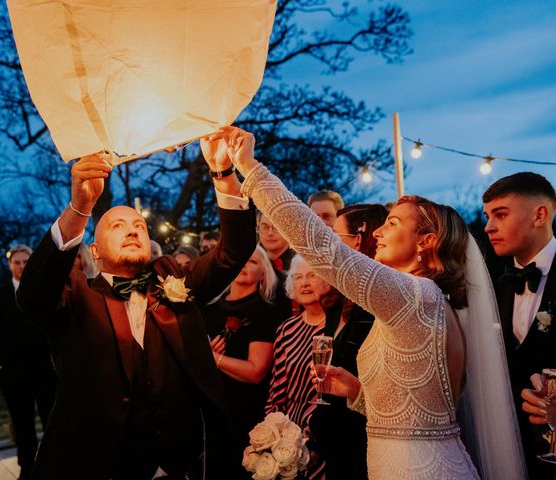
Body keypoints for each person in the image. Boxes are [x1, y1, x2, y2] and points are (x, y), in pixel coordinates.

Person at [219, 126, 526, 479]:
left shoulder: (415, 296)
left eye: (392, 223)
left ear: (426, 242)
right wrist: (356, 390)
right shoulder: (425, 300)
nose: (378, 232)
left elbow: (323, 249)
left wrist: (249, 167)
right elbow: (417, 411)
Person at [16, 137, 257, 479]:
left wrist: (222, 171)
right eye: (118, 226)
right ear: (95, 251)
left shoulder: (172, 276)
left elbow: (234, 250)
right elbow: (32, 296)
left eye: (139, 226)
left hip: (183, 465)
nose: (132, 231)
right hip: (101, 467)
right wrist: (80, 207)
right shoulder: (75, 299)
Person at [483, 172, 556, 479]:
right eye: (487, 216)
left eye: (500, 214)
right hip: (505, 453)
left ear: (540, 214)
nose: (489, 226)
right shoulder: (494, 286)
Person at [307, 203, 387, 480]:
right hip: (334, 438)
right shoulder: (337, 301)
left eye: (336, 236)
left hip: (365, 439)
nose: (331, 244)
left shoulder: (379, 303)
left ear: (359, 241)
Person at [203, 245, 278, 476]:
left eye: (253, 261)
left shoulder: (266, 313)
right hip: (208, 411)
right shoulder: (207, 309)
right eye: (241, 259)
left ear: (263, 273)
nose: (245, 264)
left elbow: (256, 371)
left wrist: (213, 358)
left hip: (245, 412)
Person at [0, 244, 57, 480]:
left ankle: (53, 466)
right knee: (22, 424)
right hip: (13, 373)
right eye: (17, 262)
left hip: (46, 370)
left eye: (26, 262)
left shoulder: (45, 289)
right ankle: (27, 469)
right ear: (10, 266)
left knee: (51, 420)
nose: (22, 266)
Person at [264, 254, 332, 479]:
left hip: (325, 432)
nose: (304, 283)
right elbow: (276, 391)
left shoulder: (337, 328)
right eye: (298, 277)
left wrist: (315, 439)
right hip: (287, 432)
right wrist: (272, 435)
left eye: (312, 275)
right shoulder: (286, 329)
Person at [258, 212, 297, 323]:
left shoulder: (301, 264)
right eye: (265, 227)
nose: (270, 233)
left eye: (276, 227)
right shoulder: (248, 262)